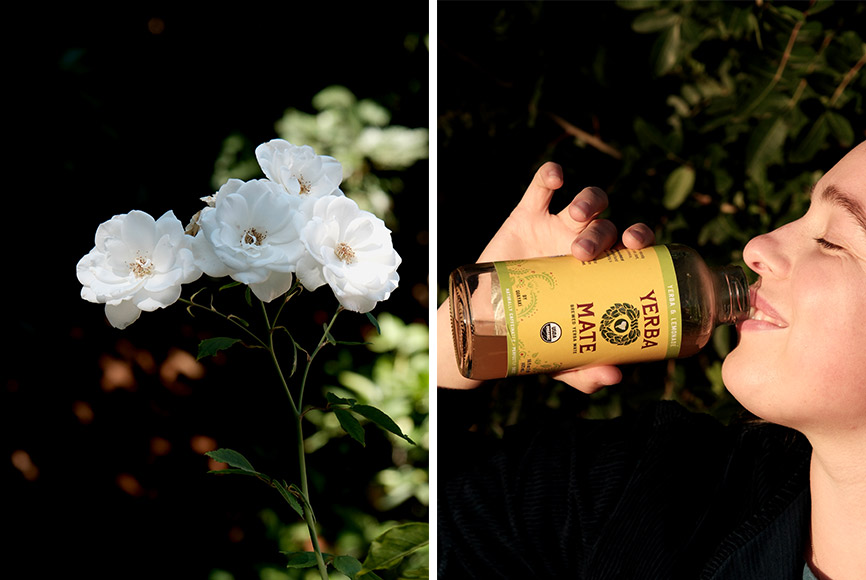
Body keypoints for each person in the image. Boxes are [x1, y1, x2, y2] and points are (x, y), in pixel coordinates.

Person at [437, 141, 866, 579]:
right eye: (804, 214)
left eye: (832, 241)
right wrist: (470, 332)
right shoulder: (659, 493)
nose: (758, 246)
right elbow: (421, 529)